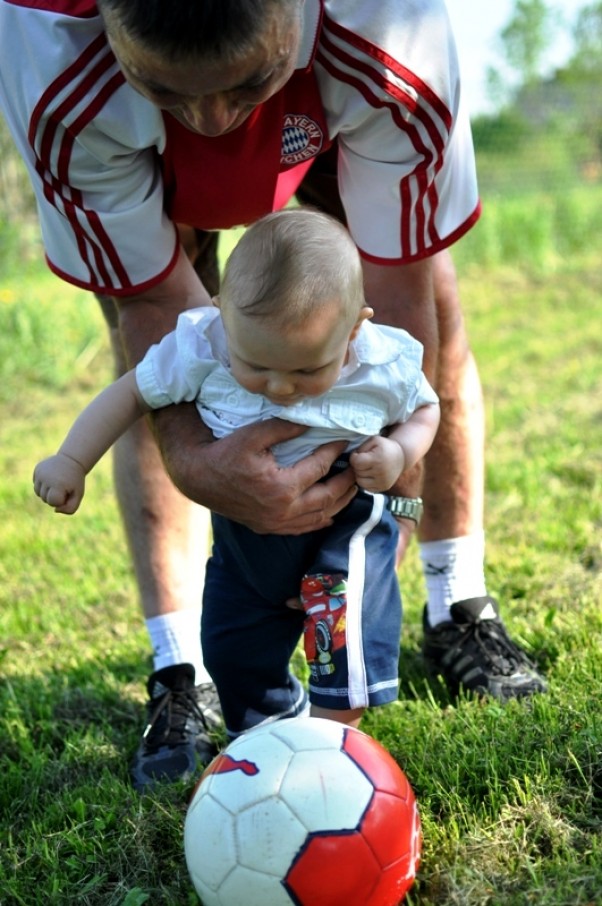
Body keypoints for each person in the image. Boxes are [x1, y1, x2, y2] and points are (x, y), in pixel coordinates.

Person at [0, 0, 546, 790]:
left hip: (333, 100)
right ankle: (181, 668)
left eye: (245, 82)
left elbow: (399, 325)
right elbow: (157, 323)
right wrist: (200, 464)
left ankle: (456, 601)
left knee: (436, 307)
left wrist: (392, 476)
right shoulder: (55, 66)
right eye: (169, 88)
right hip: (133, 143)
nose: (213, 120)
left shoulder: (392, 36)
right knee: (181, 362)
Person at [34, 208, 441, 765]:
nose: (280, 388)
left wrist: (399, 451)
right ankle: (274, 729)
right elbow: (131, 392)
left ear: (354, 329)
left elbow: (425, 408)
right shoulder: (203, 346)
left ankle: (330, 746)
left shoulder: (380, 362)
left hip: (345, 520)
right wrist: (71, 459)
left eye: (306, 371)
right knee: (230, 646)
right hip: (244, 537)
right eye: (257, 366)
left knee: (337, 618)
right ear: (222, 314)